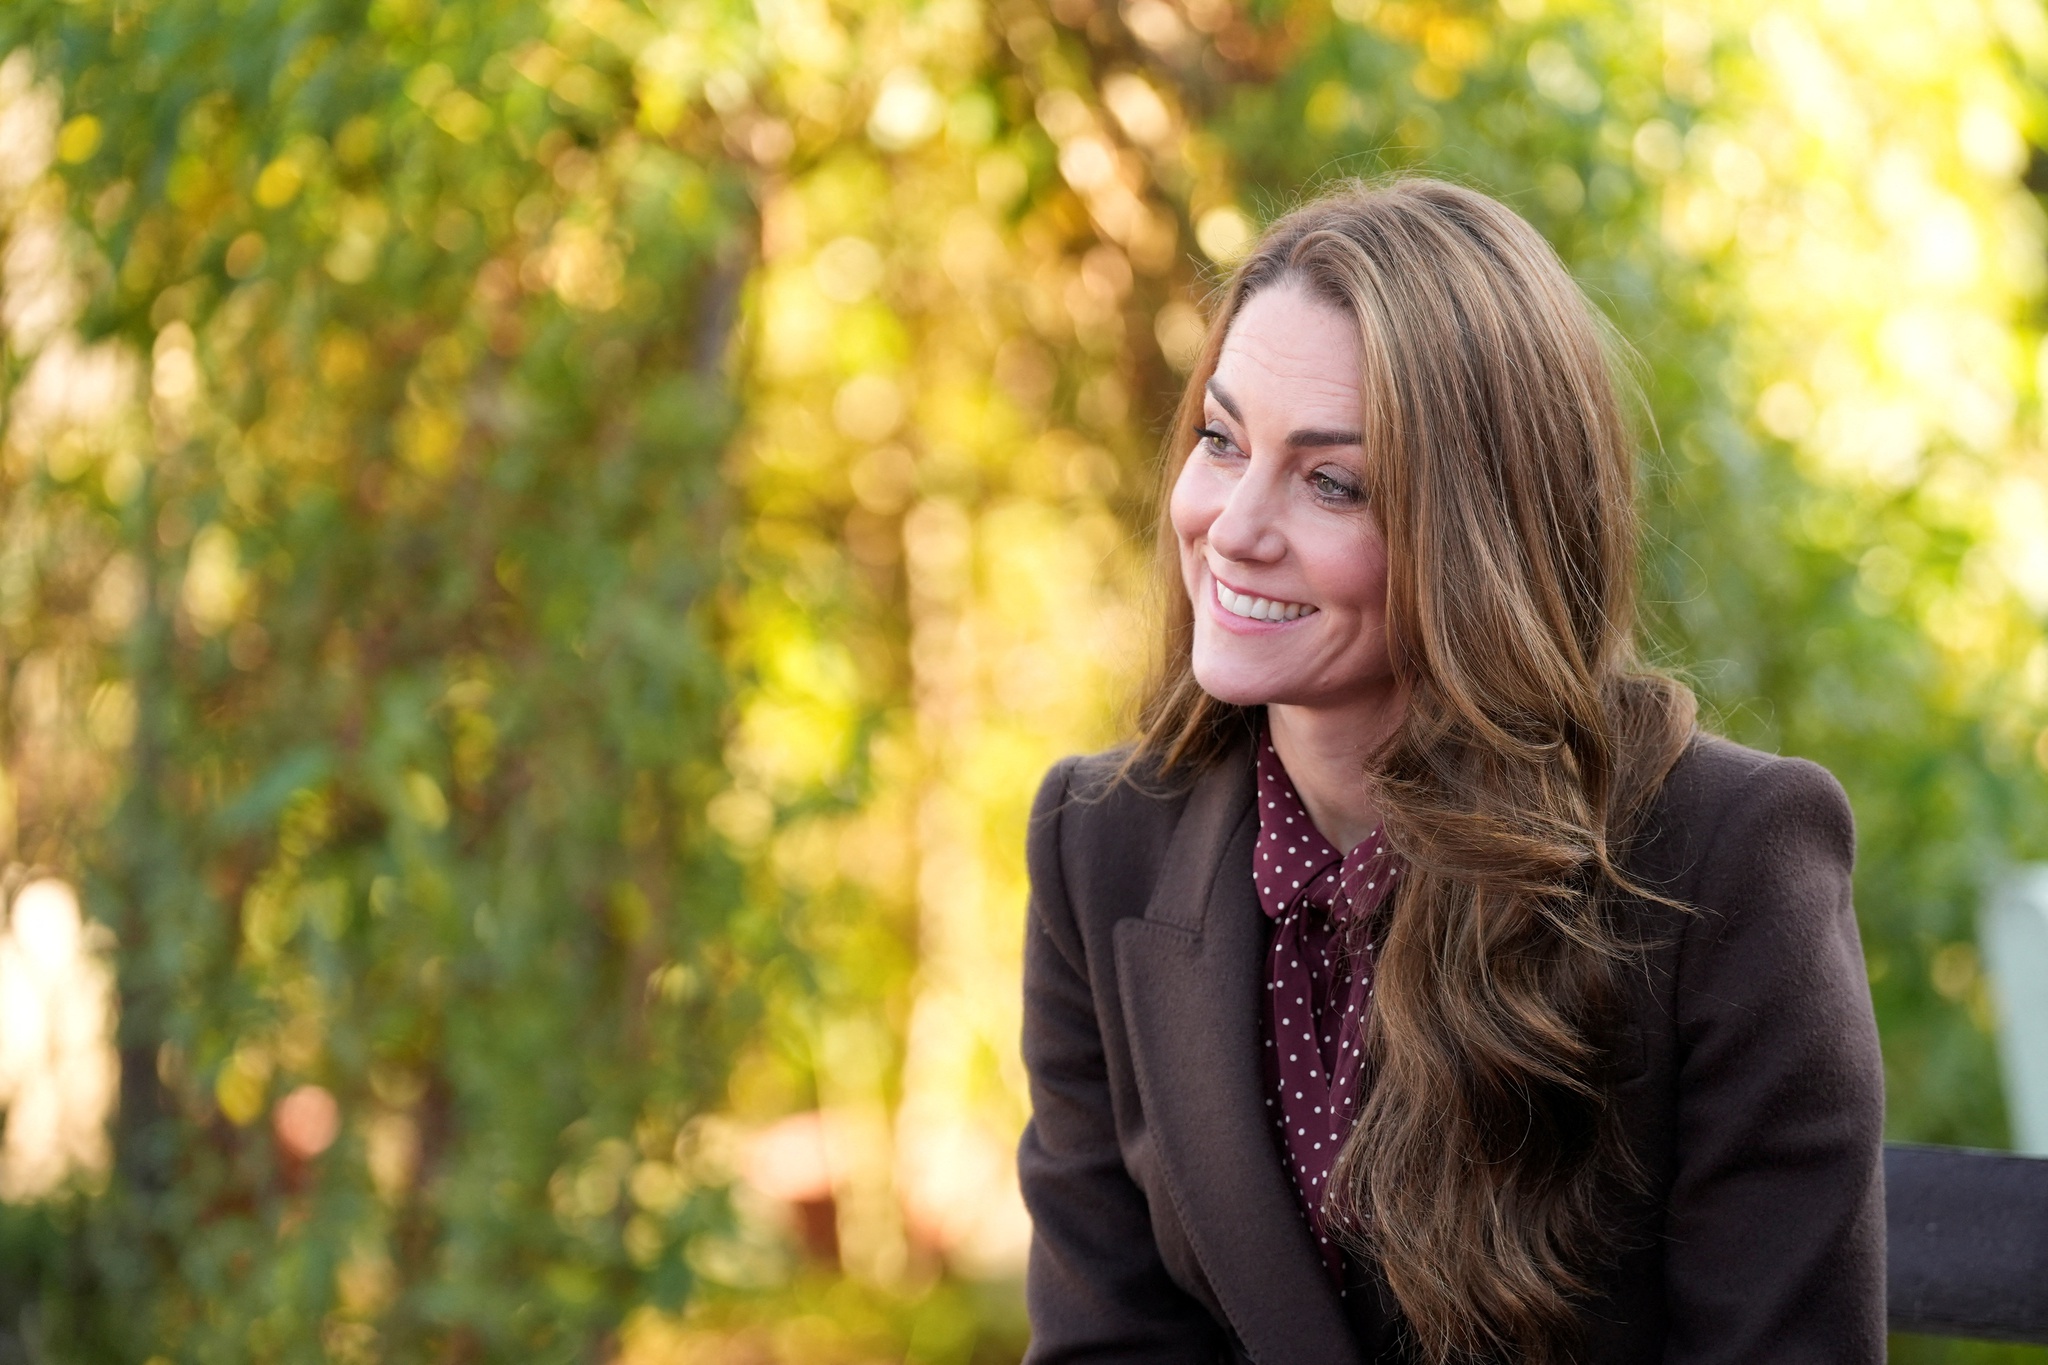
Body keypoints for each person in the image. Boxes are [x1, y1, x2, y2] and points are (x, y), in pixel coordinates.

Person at [1015, 178, 1885, 1364]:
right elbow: (1110, 1341)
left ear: (1478, 534)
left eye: (1331, 481)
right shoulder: (1098, 842)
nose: (1232, 525)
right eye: (1222, 441)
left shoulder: (1728, 860)